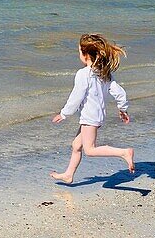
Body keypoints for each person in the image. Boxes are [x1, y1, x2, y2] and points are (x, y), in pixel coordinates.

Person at [50, 33, 134, 184]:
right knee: (76, 145)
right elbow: (119, 92)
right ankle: (68, 175)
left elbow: (77, 96)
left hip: (89, 118)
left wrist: (64, 113)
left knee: (90, 150)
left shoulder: (83, 74)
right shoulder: (103, 72)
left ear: (86, 54)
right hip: (97, 116)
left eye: (79, 52)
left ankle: (123, 152)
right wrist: (123, 109)